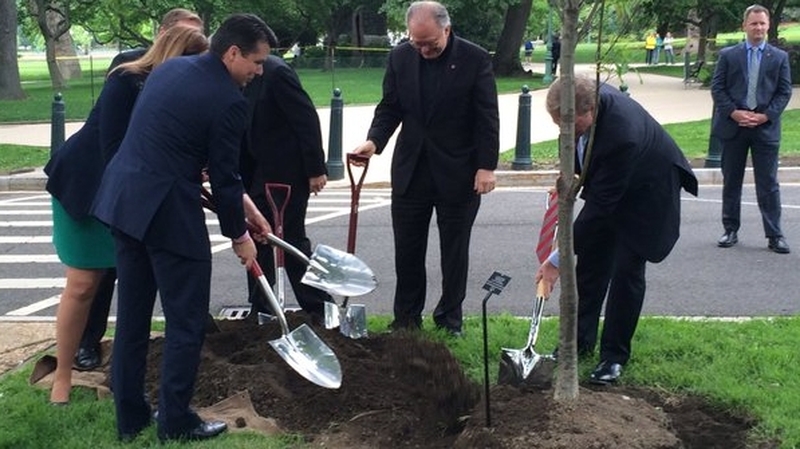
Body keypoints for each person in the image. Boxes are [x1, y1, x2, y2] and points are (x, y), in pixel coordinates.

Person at [91, 14, 276, 442]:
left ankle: (131, 418)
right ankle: (175, 421)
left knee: (133, 319)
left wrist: (239, 207)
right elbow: (226, 177)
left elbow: (172, 142)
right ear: (232, 53)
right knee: (186, 322)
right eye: (256, 61)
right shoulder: (229, 102)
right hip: (168, 216)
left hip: (124, 203)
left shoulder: (172, 68)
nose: (259, 71)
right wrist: (241, 237)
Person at [43, 25, 209, 405]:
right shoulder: (127, 80)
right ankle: (62, 378)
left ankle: (124, 379)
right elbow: (114, 149)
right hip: (87, 185)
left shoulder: (180, 91)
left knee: (132, 289)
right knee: (84, 283)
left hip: (132, 195)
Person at [536, 76, 698, 385]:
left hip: (647, 195)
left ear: (592, 109)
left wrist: (556, 260)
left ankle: (613, 357)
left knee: (626, 272)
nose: (566, 132)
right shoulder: (579, 98)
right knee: (592, 265)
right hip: (611, 188)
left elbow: (600, 207)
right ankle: (578, 343)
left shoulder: (622, 135)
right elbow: (585, 161)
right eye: (560, 126)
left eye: (573, 125)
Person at [352, 1, 499, 336]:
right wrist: (374, 141)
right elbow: (390, 106)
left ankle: (449, 319)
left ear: (446, 29)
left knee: (454, 252)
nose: (423, 50)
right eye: (416, 43)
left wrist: (486, 167)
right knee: (407, 250)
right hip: (411, 170)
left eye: (429, 43)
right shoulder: (401, 57)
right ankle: (406, 318)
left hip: (459, 171)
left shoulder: (475, 59)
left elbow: (487, 118)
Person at [241, 54, 333, 321]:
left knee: (291, 239)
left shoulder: (277, 73)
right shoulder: (234, 74)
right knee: (257, 238)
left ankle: (318, 305)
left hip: (286, 174)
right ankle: (262, 305)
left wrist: (315, 169)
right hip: (255, 170)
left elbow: (305, 118)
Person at [711, 4, 792, 254]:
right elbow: (718, 88)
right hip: (734, 127)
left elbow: (784, 91)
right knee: (731, 181)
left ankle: (774, 234)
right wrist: (735, 112)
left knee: (768, 184)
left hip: (765, 129)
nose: (758, 28)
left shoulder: (779, 58)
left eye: (762, 23)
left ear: (768, 26)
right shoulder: (729, 55)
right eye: (753, 23)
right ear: (744, 26)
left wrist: (765, 116)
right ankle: (730, 230)